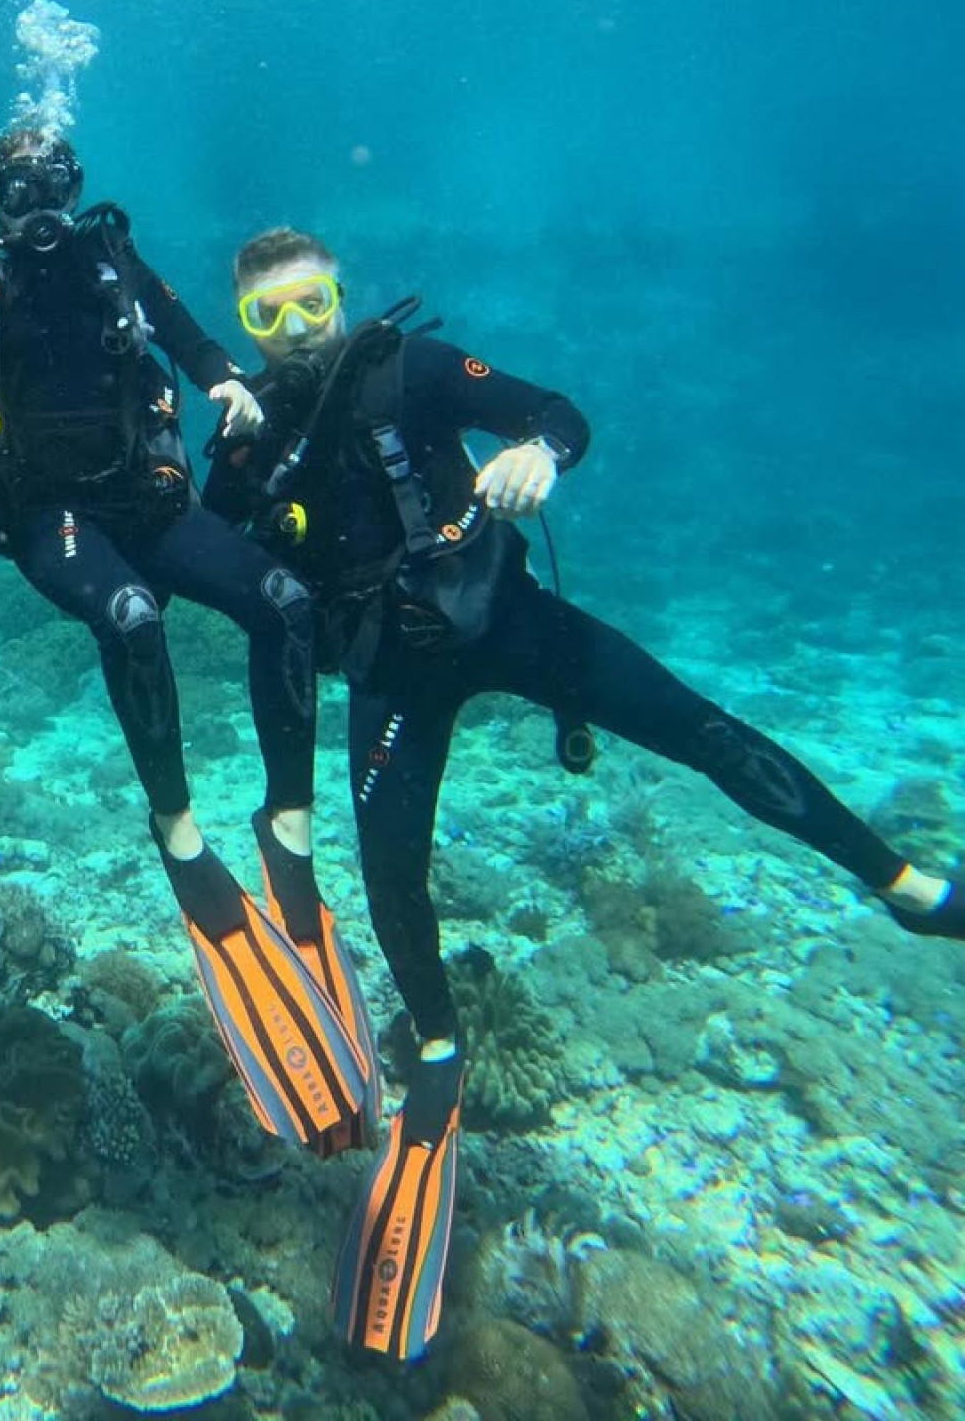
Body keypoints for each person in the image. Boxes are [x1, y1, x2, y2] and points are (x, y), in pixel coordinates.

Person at [205, 224, 965, 1363]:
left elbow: (555, 408)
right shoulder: (254, 430)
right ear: (241, 328)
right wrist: (224, 464)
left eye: (308, 303)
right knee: (391, 872)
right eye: (266, 316)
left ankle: (905, 882)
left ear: (341, 296)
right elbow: (210, 553)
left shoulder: (406, 369)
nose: (295, 330)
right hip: (389, 677)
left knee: (704, 731)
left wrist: (539, 459)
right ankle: (441, 1047)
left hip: (509, 622)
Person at [0, 128, 380, 1156]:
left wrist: (226, 380)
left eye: (53, 185)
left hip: (144, 501)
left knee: (283, 599)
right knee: (133, 617)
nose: (37, 206)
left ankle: (287, 820)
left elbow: (185, 332)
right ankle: (180, 832)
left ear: (76, 188)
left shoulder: (115, 261)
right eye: (17, 193)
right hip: (52, 516)